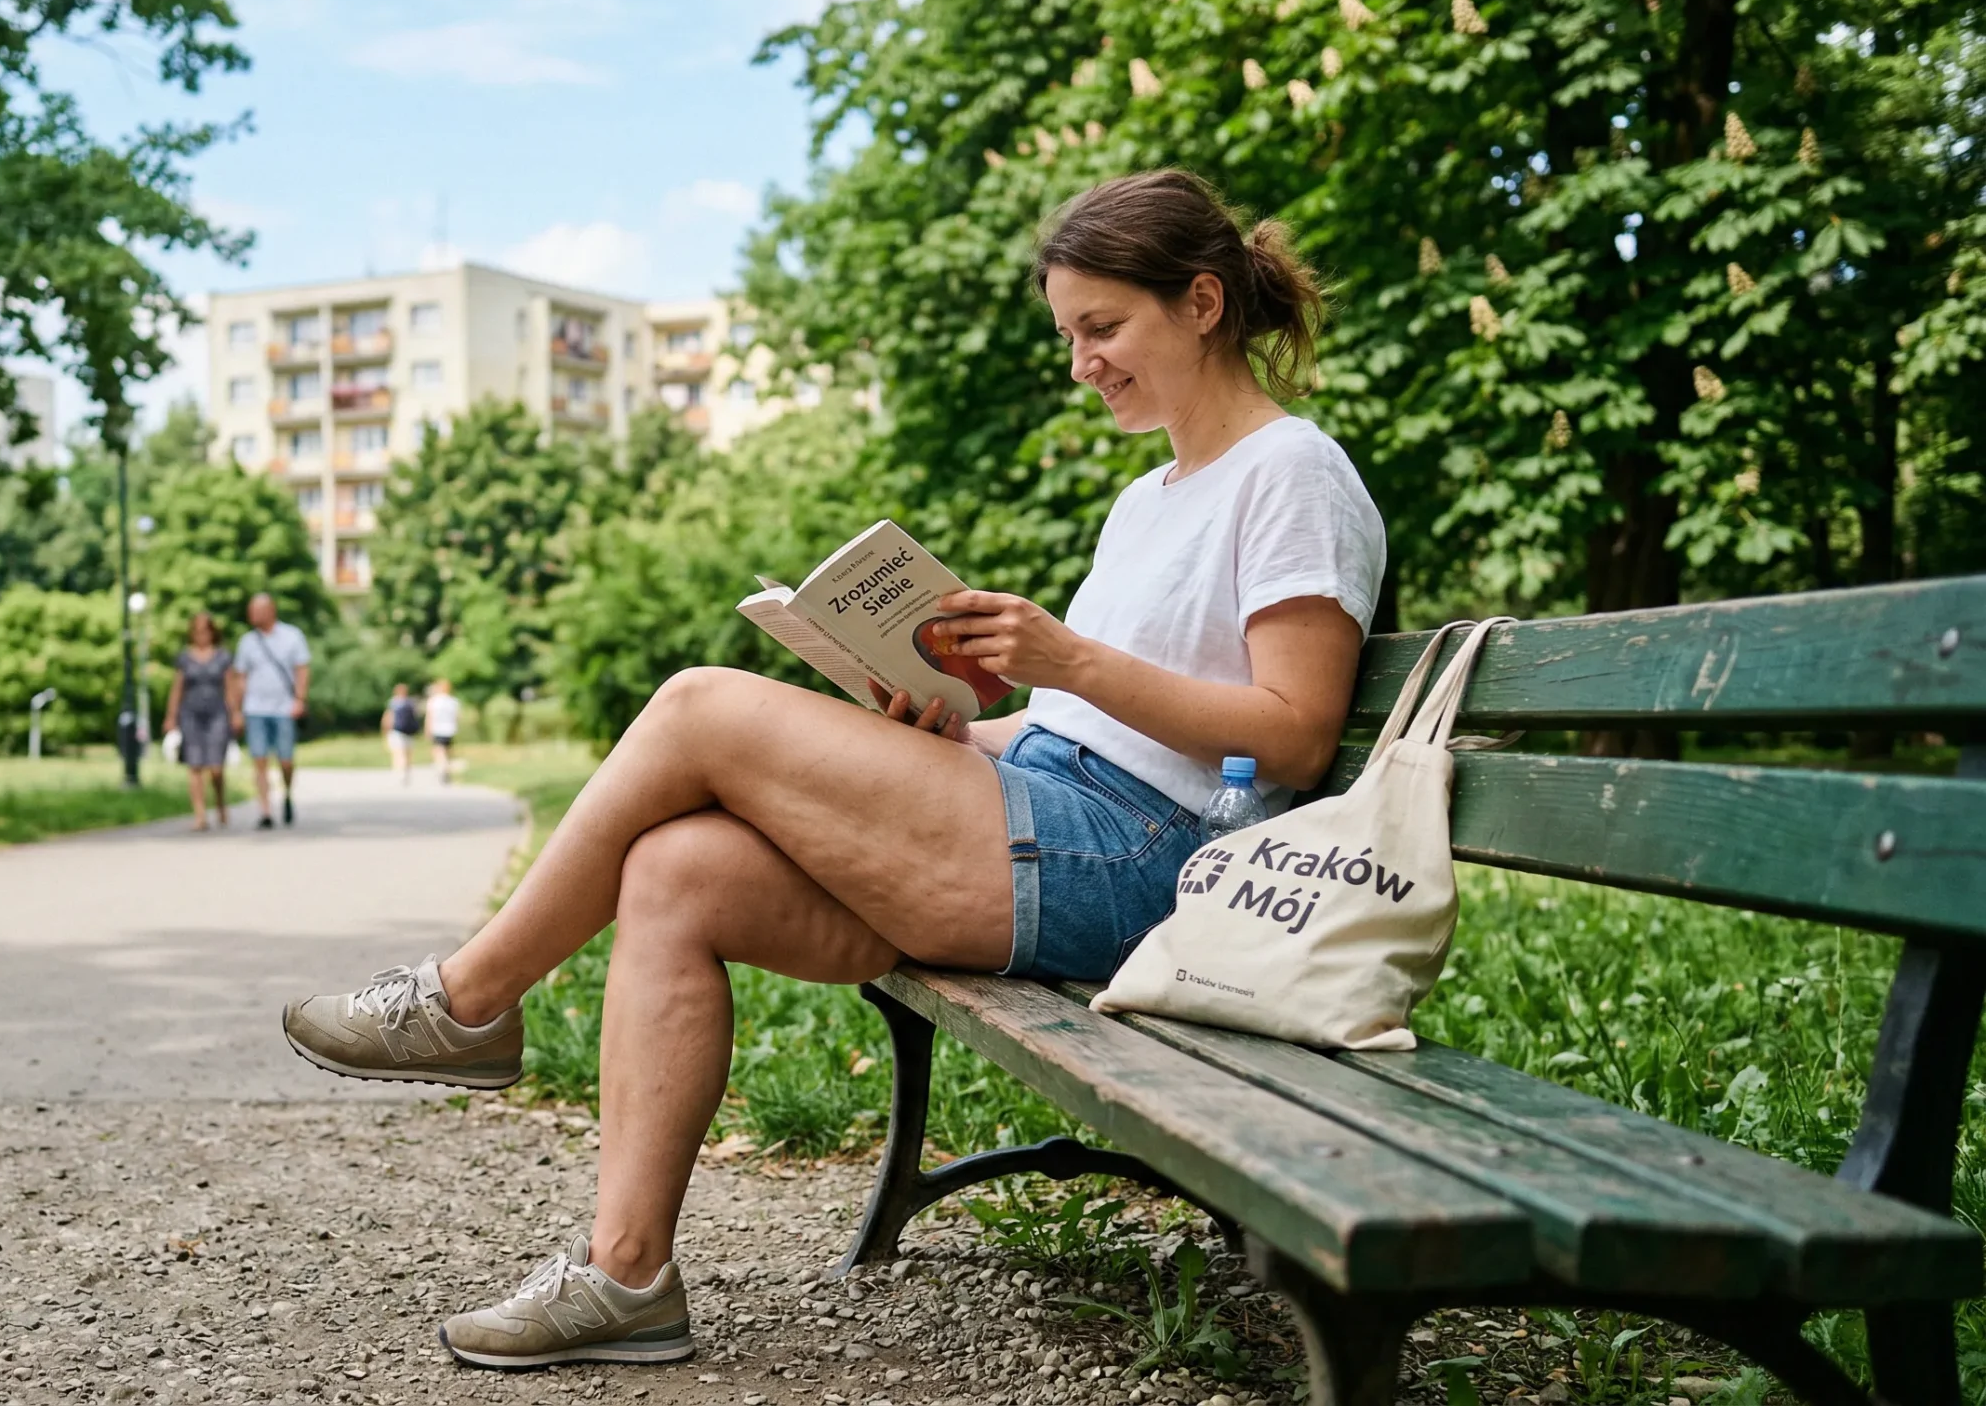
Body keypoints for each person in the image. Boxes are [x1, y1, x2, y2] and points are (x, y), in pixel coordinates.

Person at [281, 170, 1385, 1370]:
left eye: (1103, 329)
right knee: (678, 866)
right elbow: (1083, 729)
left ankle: (470, 999)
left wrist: (1066, 656)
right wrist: (954, 740)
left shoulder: (1293, 473)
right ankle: (625, 1274)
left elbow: (1292, 733)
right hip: (1060, 815)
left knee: (698, 706)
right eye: (1068, 335)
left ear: (1204, 303)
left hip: (1150, 867)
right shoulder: (1146, 499)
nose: (1083, 364)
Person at [236, 592, 312, 828]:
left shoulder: (292, 636)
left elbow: (302, 669)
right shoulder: (247, 641)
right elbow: (240, 676)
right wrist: (238, 708)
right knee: (259, 759)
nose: (252, 615)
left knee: (285, 760)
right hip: (255, 709)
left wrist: (300, 699)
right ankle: (265, 811)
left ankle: (287, 794)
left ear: (271, 610)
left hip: (284, 708)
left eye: (256, 610)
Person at [163, 612, 239, 831]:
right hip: (191, 715)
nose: (201, 635)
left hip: (217, 714)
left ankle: (220, 803)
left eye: (205, 631)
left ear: (212, 632)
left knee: (216, 767)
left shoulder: (223, 656)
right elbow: (177, 689)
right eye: (197, 631)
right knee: (195, 765)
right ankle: (200, 815)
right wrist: (171, 716)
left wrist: (235, 713)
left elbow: (230, 687)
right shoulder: (185, 658)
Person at [423, 679, 462, 785]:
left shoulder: (434, 701)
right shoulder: (453, 701)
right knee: (447, 750)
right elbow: (457, 717)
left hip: (438, 729)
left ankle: (442, 769)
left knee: (439, 751)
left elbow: (429, 717)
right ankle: (446, 768)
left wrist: (427, 729)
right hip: (450, 729)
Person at [382, 683, 421, 785]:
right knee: (408, 753)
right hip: (409, 732)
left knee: (399, 753)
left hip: (397, 731)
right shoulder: (410, 703)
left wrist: (385, 730)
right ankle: (406, 771)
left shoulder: (393, 702)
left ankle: (400, 772)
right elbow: (416, 716)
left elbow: (388, 718)